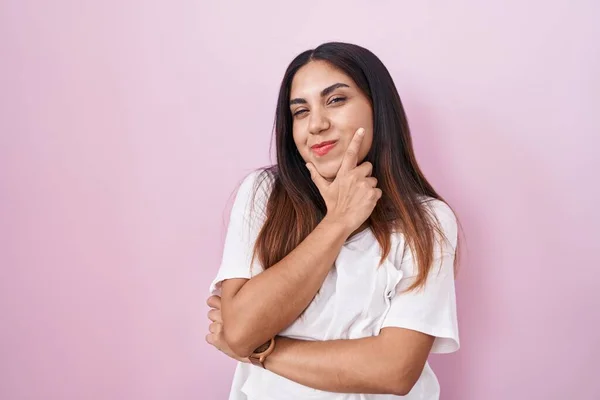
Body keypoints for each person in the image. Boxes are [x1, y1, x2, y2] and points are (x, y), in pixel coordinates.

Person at [205, 42, 461, 400]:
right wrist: (337, 221)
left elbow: (395, 370)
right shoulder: (265, 194)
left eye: (336, 100)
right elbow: (240, 329)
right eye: (300, 111)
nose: (317, 124)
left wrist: (262, 351)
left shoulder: (428, 222)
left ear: (378, 108)